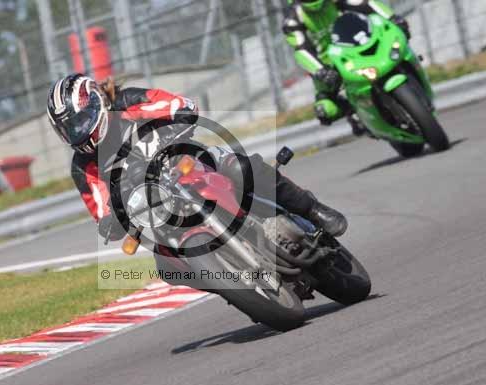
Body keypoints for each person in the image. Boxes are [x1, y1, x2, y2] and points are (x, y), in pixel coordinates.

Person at [46, 74, 348, 242]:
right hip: (155, 206)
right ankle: (236, 284)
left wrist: (180, 113)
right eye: (70, 128)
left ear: (97, 102)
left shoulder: (127, 102)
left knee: (241, 167)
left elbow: (174, 104)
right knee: (167, 267)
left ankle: (312, 210)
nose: (79, 130)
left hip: (190, 164)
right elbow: (102, 209)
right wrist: (110, 223)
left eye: (81, 121)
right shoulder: (83, 166)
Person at [282, 0, 410, 134]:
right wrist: (320, 70)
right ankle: (354, 112)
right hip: (330, 66)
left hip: (358, 45)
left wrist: (392, 18)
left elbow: (366, 4)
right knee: (325, 110)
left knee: (397, 43)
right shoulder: (293, 20)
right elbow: (301, 50)